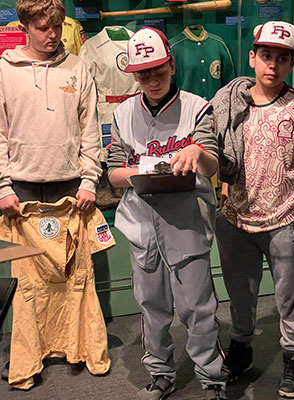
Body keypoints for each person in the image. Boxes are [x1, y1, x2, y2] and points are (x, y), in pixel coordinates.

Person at [107, 26, 227, 400]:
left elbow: (210, 162)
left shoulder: (197, 107)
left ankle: (212, 379)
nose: (152, 80)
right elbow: (112, 172)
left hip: (186, 222)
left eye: (158, 70)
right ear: (135, 74)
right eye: (144, 73)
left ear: (172, 65)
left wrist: (198, 155)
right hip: (143, 224)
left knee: (197, 307)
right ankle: (160, 373)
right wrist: (139, 173)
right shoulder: (123, 113)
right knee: (152, 308)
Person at [0, 0, 112, 389]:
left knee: (74, 273)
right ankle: (27, 353)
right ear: (25, 25)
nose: (51, 36)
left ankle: (75, 347)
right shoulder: (4, 70)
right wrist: (2, 185)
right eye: (43, 28)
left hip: (69, 185)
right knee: (26, 280)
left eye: (57, 27)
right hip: (22, 188)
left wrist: (87, 181)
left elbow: (89, 129)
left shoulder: (77, 68)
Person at [211, 21, 294, 398]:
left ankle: (293, 356)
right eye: (266, 56)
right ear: (252, 57)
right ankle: (242, 348)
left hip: (284, 217)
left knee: (290, 296)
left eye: (283, 58)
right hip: (236, 216)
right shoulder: (232, 102)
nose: (273, 65)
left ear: (291, 63)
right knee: (240, 292)